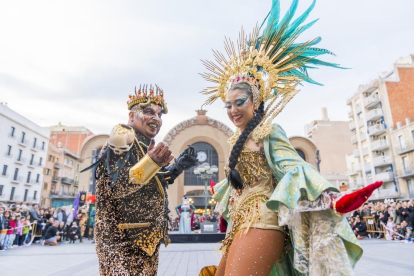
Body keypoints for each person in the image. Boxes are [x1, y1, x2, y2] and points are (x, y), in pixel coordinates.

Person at [198, 1, 384, 275]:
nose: (232, 110)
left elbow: (293, 168)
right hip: (242, 221)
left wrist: (333, 199)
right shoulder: (233, 140)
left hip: (265, 219)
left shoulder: (269, 132)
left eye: (238, 102)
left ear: (255, 101)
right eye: (227, 105)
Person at [82, 84, 198, 275]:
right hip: (121, 241)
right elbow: (117, 186)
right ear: (131, 117)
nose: (156, 119)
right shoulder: (122, 140)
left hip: (146, 242)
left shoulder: (144, 145)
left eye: (160, 115)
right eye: (149, 112)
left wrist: (178, 166)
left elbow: (154, 183)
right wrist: (152, 162)